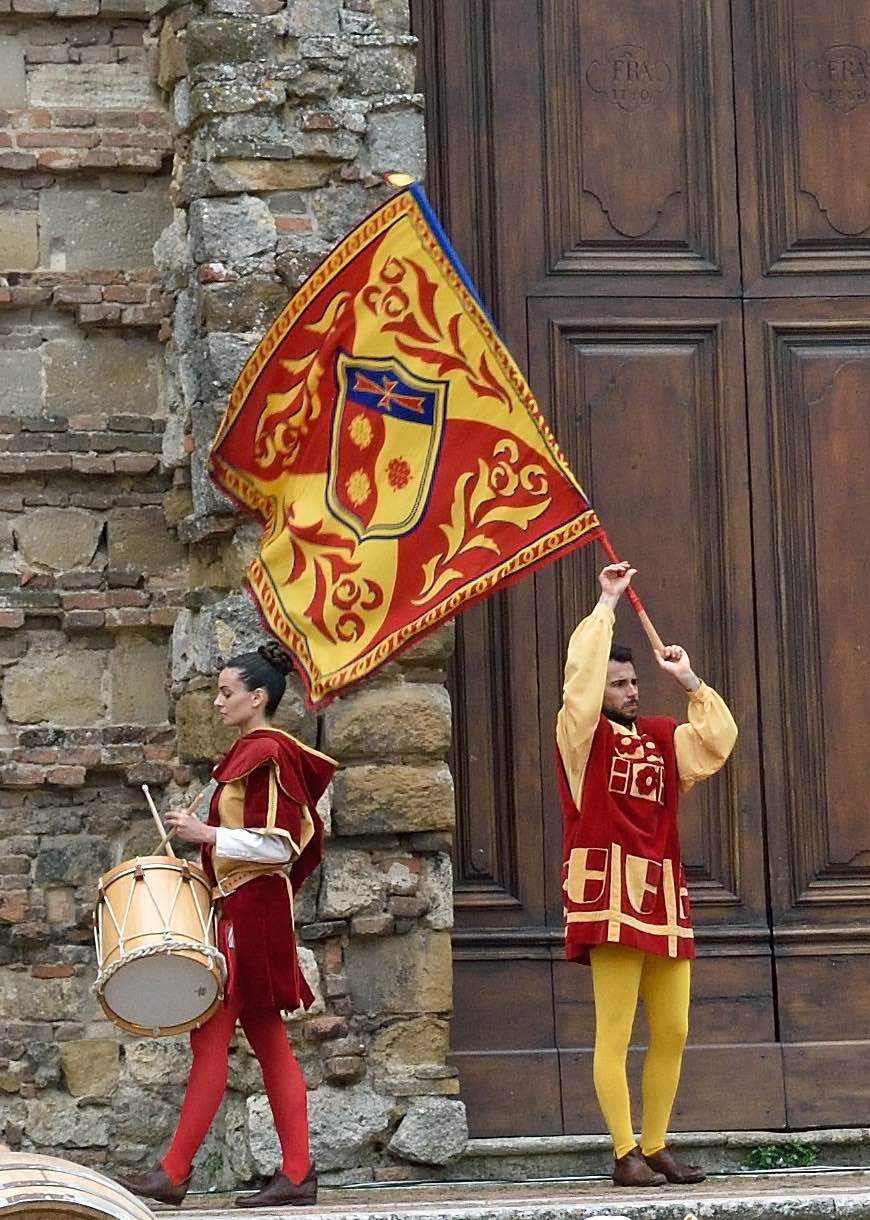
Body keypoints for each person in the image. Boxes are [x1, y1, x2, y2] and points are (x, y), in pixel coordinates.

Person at [117, 642, 336, 1209]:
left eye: (226, 692)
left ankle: (176, 1171)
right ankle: (296, 1173)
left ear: (257, 698)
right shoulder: (253, 753)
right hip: (245, 903)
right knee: (266, 1039)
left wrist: (205, 835)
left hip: (251, 908)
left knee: (210, 1035)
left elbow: (280, 844)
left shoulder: (267, 753)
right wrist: (201, 857)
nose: (217, 702)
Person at [557, 562, 737, 1188]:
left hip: (661, 897)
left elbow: (718, 738)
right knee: (615, 1030)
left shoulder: (662, 736)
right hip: (608, 895)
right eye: (618, 683)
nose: (630, 690)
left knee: (675, 1027)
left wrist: (686, 679)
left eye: (633, 682)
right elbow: (578, 683)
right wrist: (606, 605)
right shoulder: (579, 738)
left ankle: (656, 1145)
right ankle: (622, 1150)